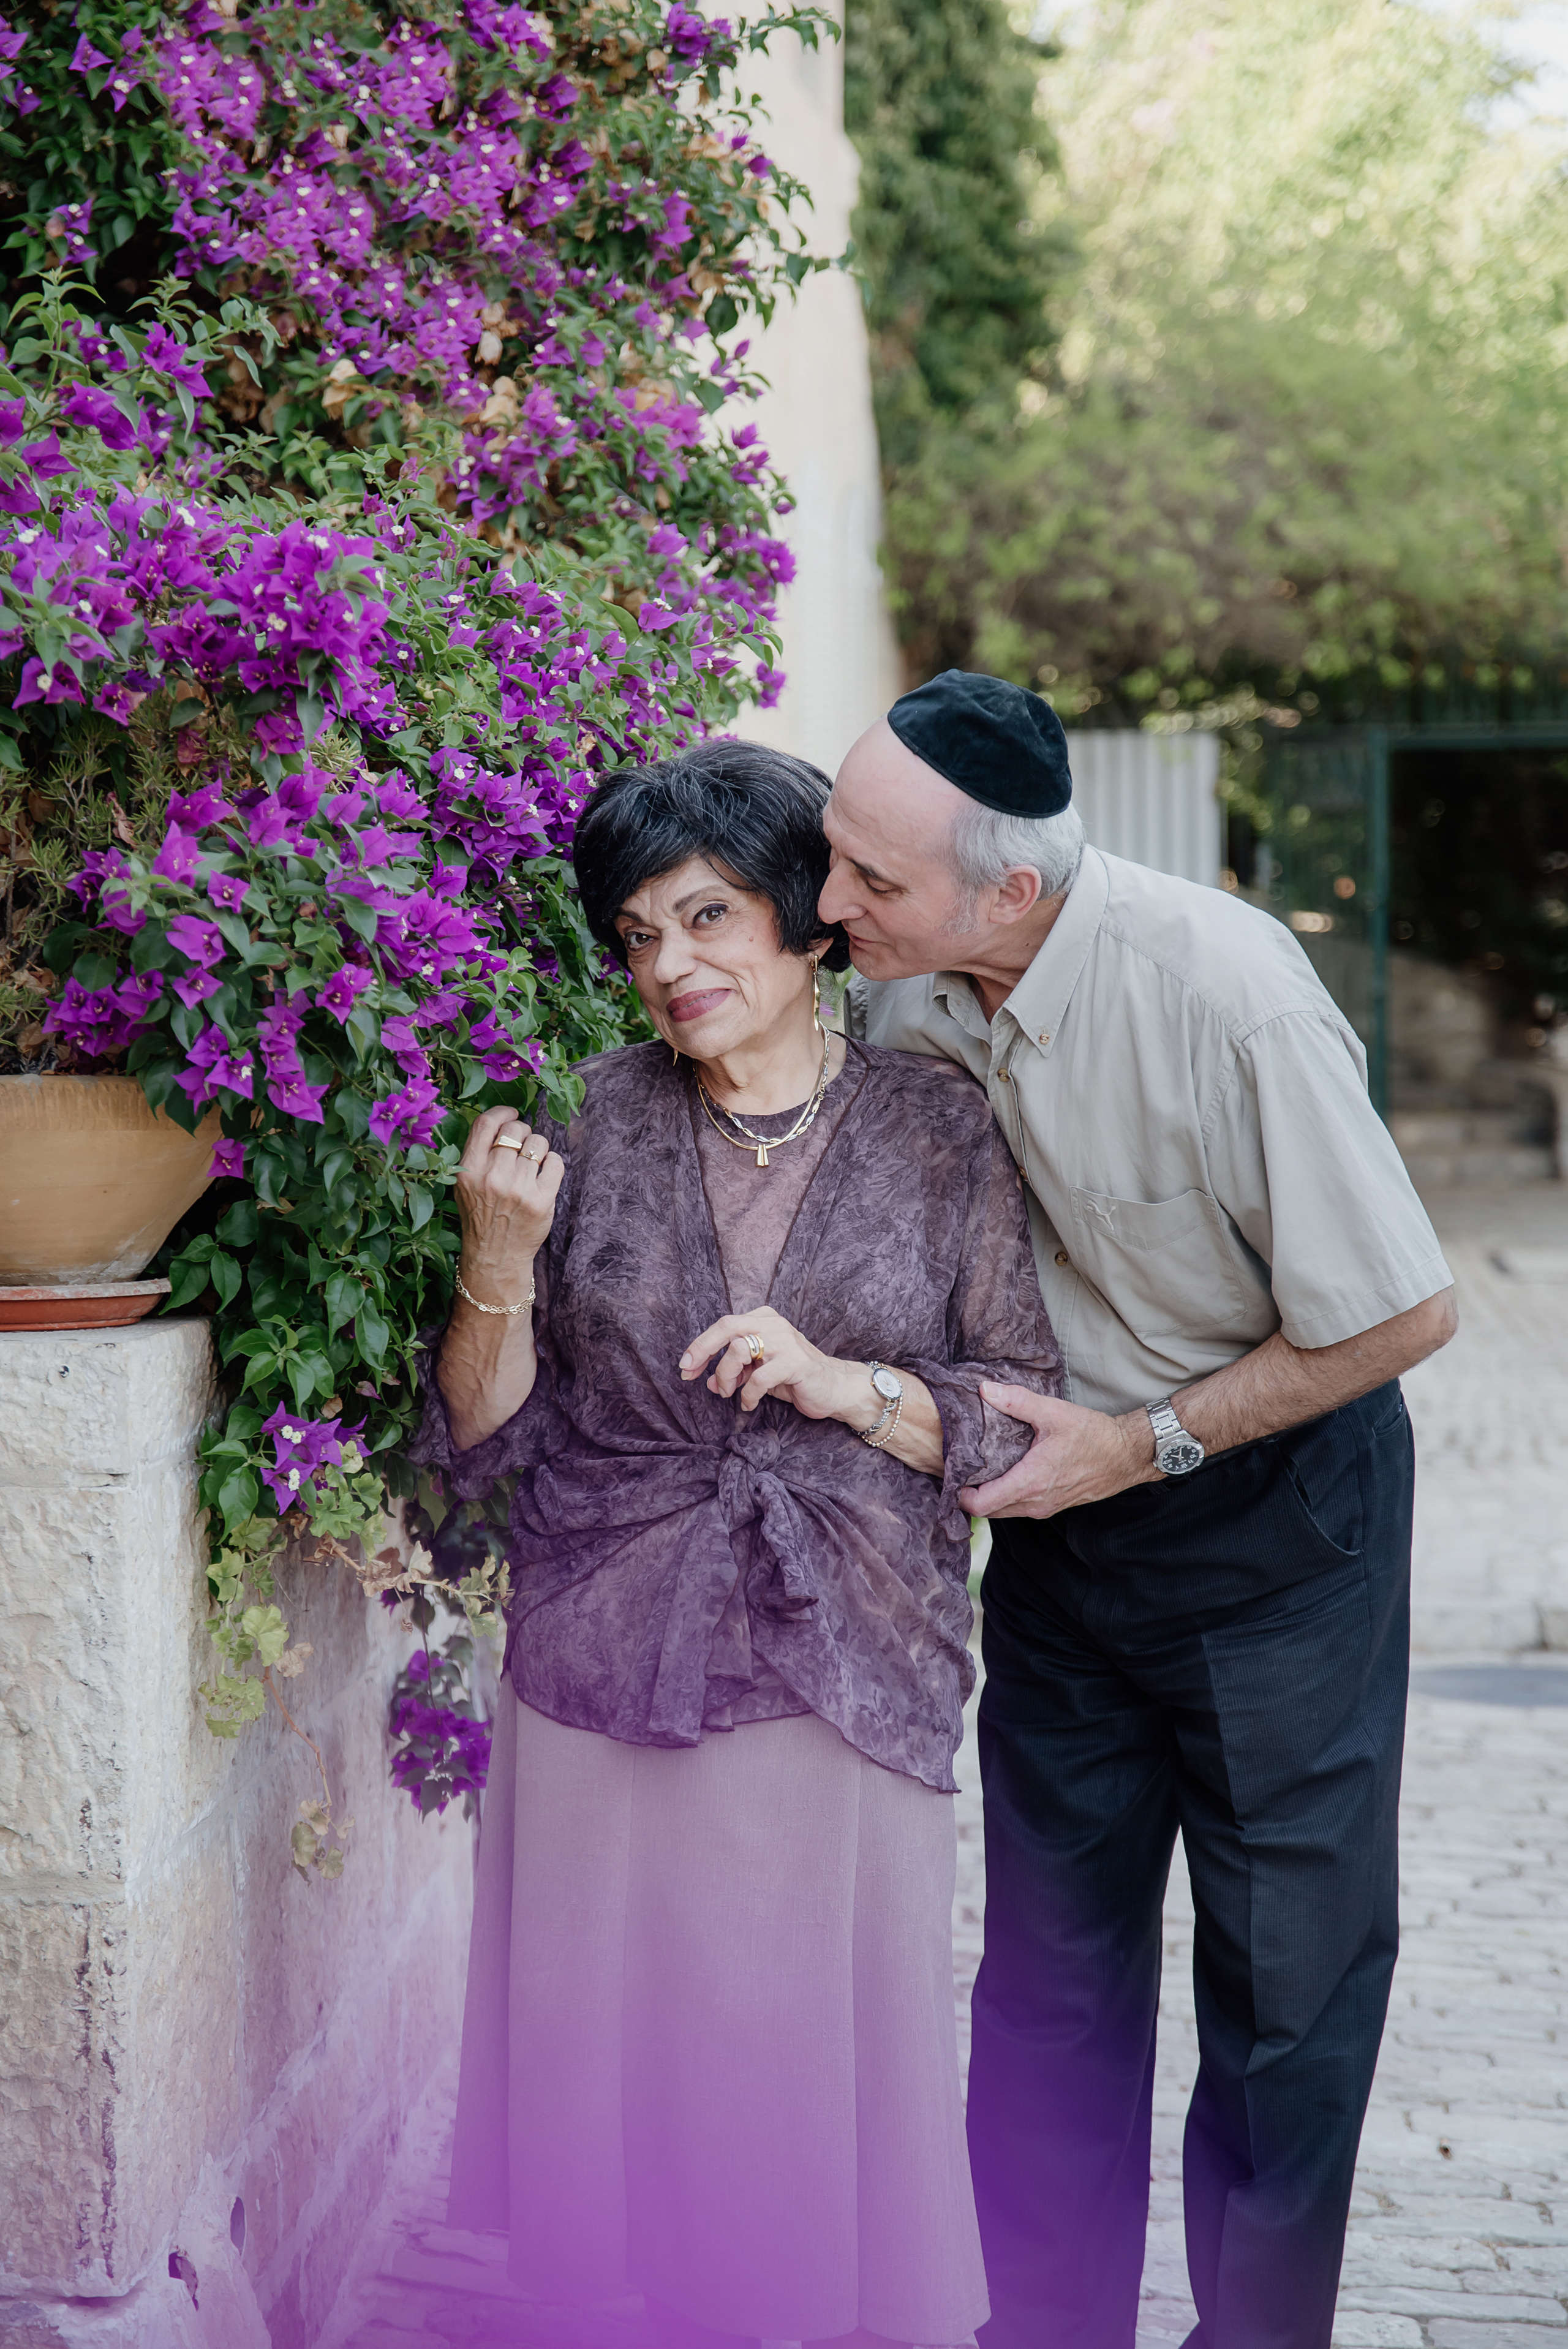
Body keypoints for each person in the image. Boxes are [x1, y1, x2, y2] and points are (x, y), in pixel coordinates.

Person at [819, 670, 1458, 2349]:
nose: (832, 906)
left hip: (1276, 1529)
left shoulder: (1230, 990)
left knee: (1286, 1999)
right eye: (831, 858)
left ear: (1008, 889)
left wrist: (1147, 1440)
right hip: (1055, 1540)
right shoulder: (904, 993)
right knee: (1042, 1996)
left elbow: (1400, 1311)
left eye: (870, 881)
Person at [410, 738, 1065, 2348]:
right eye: (638, 935)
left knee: (799, 2080)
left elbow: (1017, 1412)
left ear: (810, 922)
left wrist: (850, 1388)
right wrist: (496, 1258)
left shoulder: (938, 1130)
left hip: (846, 1649)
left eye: (706, 917)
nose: (671, 966)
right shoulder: (600, 1119)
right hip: (600, 1647)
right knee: (611, 2085)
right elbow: (484, 1444)